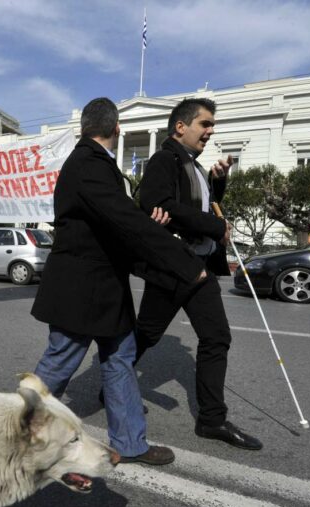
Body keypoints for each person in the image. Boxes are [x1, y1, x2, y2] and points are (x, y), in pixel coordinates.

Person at [31, 98, 207, 465]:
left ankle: (129, 443)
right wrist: (182, 261)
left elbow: (114, 225)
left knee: (120, 358)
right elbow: (123, 218)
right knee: (60, 362)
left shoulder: (91, 165)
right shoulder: (87, 165)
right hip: (81, 289)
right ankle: (12, 434)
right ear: (117, 129)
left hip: (105, 288)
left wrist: (149, 228)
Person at [135, 97, 262, 450]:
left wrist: (218, 184)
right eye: (205, 124)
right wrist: (214, 224)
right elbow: (159, 203)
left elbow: (203, 207)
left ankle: (211, 420)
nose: (211, 131)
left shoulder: (196, 167)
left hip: (200, 266)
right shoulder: (165, 159)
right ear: (181, 126)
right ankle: (115, 381)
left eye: (211, 125)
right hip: (175, 265)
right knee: (146, 334)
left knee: (217, 337)